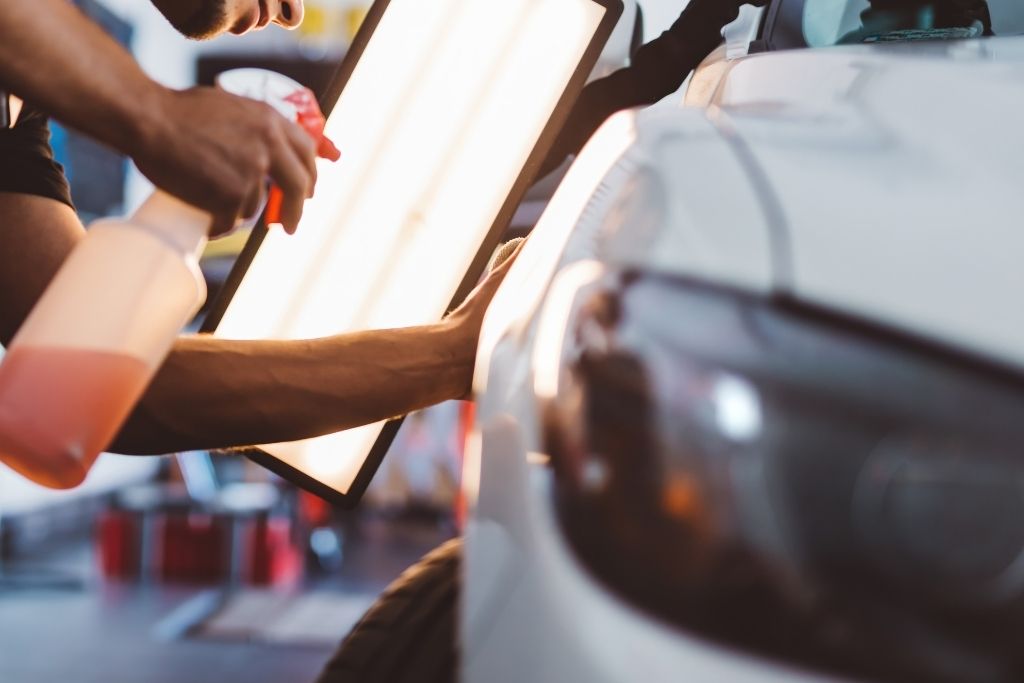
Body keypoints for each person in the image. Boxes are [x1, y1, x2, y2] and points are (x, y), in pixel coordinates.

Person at [0, 0, 515, 476]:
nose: (293, 12)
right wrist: (156, 116)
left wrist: (455, 354)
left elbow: (105, 386)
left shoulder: (17, 125)